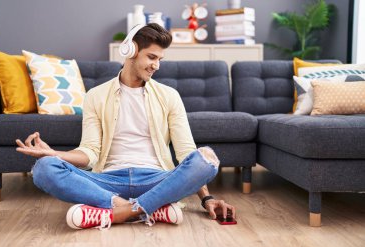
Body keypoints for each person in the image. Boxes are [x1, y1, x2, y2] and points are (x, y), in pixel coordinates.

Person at [16, 23, 236, 230]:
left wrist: (207, 198)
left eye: (160, 59)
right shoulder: (96, 96)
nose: (156, 65)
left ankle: (116, 213)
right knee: (44, 168)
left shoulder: (170, 96)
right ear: (131, 50)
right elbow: (89, 153)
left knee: (206, 161)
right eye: (151, 57)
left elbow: (186, 153)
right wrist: (53, 154)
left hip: (156, 179)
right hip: (108, 181)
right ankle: (149, 209)